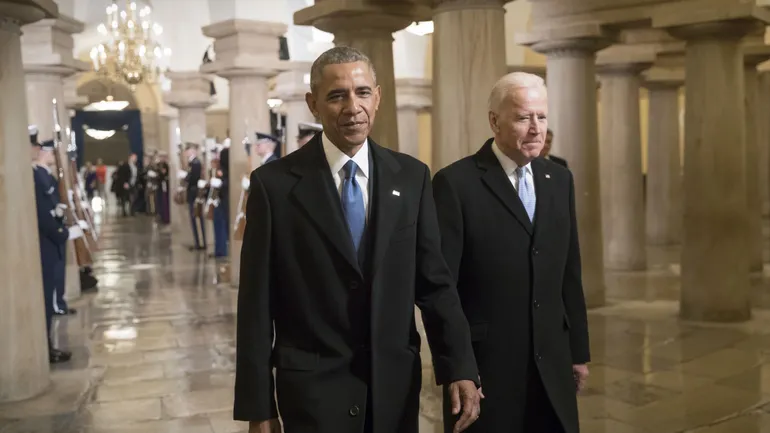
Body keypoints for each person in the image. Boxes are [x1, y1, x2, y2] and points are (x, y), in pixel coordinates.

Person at [234, 46, 481, 433]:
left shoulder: (411, 178)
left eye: (362, 92)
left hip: (393, 390)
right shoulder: (274, 187)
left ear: (378, 97)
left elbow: (435, 284)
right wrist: (258, 405)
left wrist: (460, 365)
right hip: (312, 394)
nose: (353, 107)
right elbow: (255, 305)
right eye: (337, 95)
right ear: (313, 103)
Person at [432, 72, 590, 433]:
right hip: (488, 370)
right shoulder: (455, 184)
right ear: (494, 121)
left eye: (542, 117)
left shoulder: (559, 179)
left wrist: (578, 351)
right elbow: (443, 290)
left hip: (552, 363)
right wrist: (459, 368)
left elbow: (569, 270)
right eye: (523, 117)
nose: (537, 129)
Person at [30, 127, 81, 363]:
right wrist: (62, 233)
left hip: (51, 238)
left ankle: (48, 345)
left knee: (52, 288)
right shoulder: (35, 174)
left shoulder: (43, 174)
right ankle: (45, 347)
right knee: (46, 295)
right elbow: (42, 214)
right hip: (47, 240)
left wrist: (61, 212)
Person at [183, 143, 206, 251]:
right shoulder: (192, 162)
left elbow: (194, 179)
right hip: (192, 193)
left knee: (196, 217)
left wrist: (185, 177)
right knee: (194, 218)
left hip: (194, 193)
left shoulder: (195, 163)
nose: (186, 152)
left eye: (188, 150)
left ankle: (200, 242)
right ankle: (197, 242)